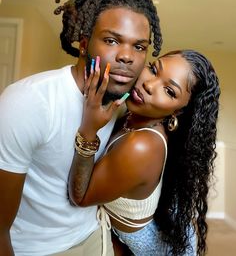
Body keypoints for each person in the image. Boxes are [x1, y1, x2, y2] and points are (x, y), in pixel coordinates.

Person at [0, 0, 162, 255]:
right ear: (85, 43)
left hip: (93, 235)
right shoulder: (29, 102)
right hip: (36, 249)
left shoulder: (123, 99)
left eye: (139, 47)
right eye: (112, 40)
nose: (127, 57)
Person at [68, 49, 220, 256]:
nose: (149, 85)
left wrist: (88, 130)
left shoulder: (143, 145)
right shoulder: (133, 116)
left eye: (169, 91)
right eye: (154, 69)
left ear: (179, 111)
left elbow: (81, 196)